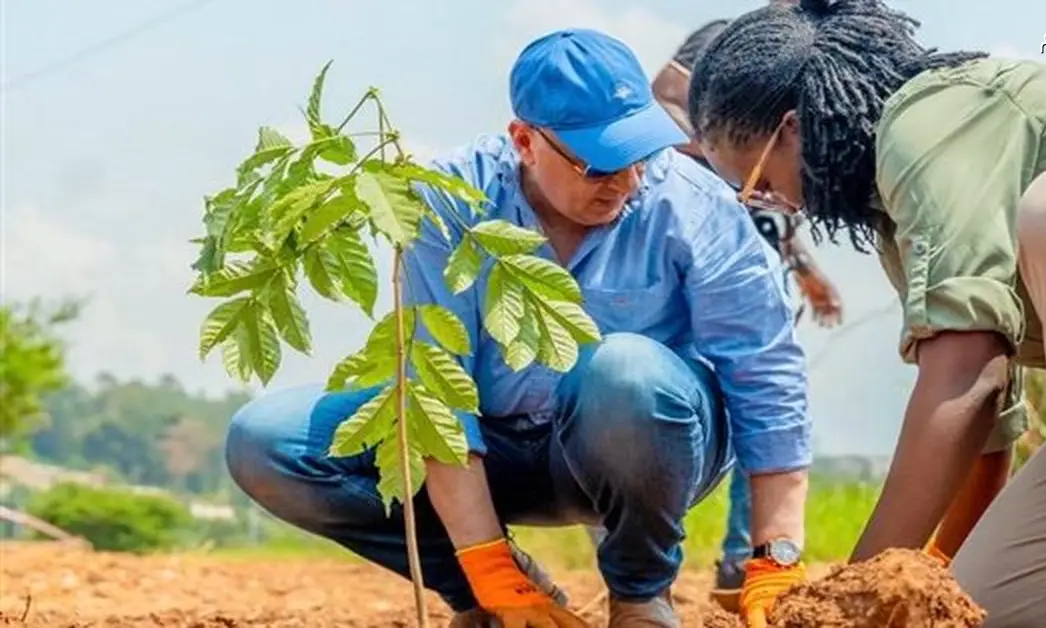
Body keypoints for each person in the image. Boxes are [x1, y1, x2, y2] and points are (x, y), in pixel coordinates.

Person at [225, 28, 813, 628]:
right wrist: (488, 567)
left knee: (626, 373)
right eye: (599, 165)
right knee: (268, 441)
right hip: (497, 448)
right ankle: (492, 591)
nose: (627, 181)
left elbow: (762, 370)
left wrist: (775, 552)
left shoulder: (690, 205)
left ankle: (640, 593)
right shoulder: (449, 204)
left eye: (639, 155)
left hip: (643, 447)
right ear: (525, 142)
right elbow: (437, 393)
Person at [685, 0, 1046, 625]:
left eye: (758, 184)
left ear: (792, 128)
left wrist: (848, 605)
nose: (774, 204)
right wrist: (916, 589)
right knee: (987, 610)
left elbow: (967, 374)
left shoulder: (928, 121)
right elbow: (984, 429)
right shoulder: (895, 217)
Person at [651, 12, 845, 608]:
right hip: (695, 272)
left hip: (758, 276)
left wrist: (807, 272)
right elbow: (663, 93)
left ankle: (744, 559)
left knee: (760, 406)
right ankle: (642, 564)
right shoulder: (725, 53)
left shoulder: (806, 73)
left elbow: (777, 206)